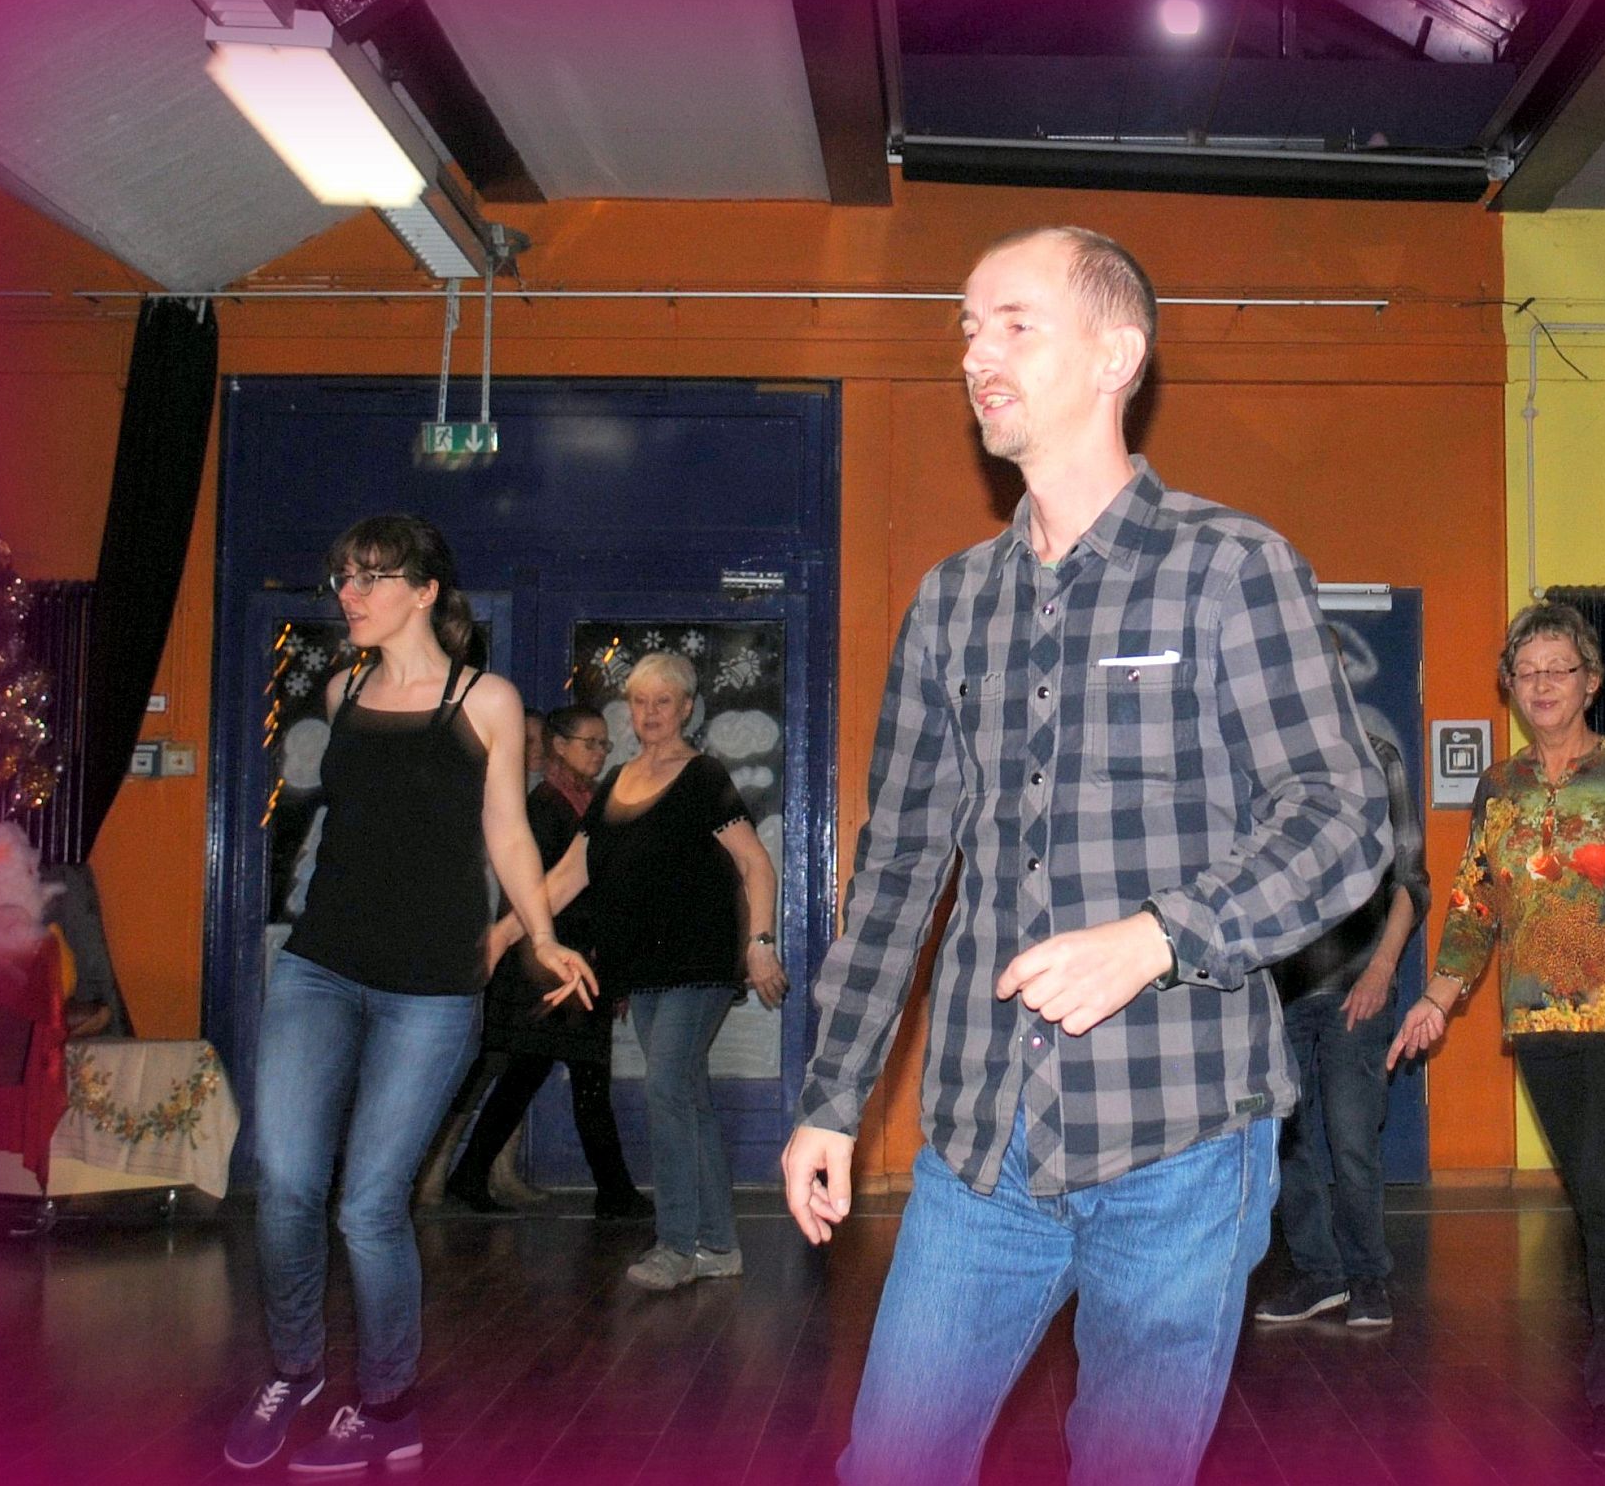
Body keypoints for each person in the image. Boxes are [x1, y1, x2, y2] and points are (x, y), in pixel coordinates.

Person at [781, 226, 1393, 1486]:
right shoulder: (952, 603)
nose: (976, 353)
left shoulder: (1231, 570)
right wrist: (831, 1099)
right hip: (981, 1143)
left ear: (1118, 355)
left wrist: (1162, 937)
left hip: (1182, 1139)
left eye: (1014, 323)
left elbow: (1343, 819)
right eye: (967, 328)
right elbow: (896, 870)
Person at [225, 515, 593, 1475]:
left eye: (371, 578)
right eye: (342, 578)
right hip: (319, 965)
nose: (349, 595)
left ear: (425, 591)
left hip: (429, 989)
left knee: (368, 1207)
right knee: (286, 1182)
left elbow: (507, 831)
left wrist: (540, 937)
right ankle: (296, 1370)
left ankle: (387, 1406)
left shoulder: (486, 699)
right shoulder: (342, 691)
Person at [1387, 598, 1605, 1467]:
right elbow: (1475, 904)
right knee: (1601, 1198)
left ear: (1591, 681)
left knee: (1604, 1186)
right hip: (1538, 1022)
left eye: (1558, 669)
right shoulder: (1497, 789)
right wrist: (1437, 999)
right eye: (1526, 671)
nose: (1541, 685)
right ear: (1510, 685)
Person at [494, 651, 788, 1290]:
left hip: (700, 965)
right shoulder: (616, 783)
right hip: (642, 970)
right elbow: (567, 877)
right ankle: (719, 1245)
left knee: (666, 1089)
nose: (650, 713)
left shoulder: (703, 776)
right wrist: (505, 933)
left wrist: (761, 942)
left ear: (686, 708)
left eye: (663, 701)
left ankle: (676, 1244)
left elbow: (756, 864)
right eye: (639, 701)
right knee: (687, 1097)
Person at [1255, 700, 1428, 1331]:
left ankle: (1368, 1277)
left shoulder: (1377, 757)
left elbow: (1411, 881)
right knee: (1289, 1144)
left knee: (1353, 1139)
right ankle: (1319, 1275)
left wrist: (1382, 970)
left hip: (1358, 984)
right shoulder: (1260, 763)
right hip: (1278, 992)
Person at [442, 705, 651, 1220]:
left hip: (568, 963)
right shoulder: (546, 808)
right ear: (559, 745)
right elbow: (546, 891)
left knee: (532, 1072)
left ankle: (472, 1174)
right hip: (553, 966)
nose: (600, 753)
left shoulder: (582, 804)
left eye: (604, 744)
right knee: (580, 1074)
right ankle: (614, 1192)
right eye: (590, 743)